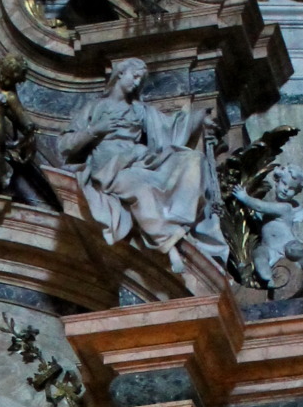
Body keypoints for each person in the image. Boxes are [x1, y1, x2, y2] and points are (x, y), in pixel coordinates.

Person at [59, 57, 227, 275]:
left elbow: (170, 127)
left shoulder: (139, 110)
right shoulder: (94, 107)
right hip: (110, 167)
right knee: (142, 190)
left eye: (141, 79)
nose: (137, 83)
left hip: (140, 160)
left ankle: (178, 219)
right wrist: (95, 130)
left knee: (191, 159)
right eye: (135, 77)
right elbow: (65, 146)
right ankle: (168, 244)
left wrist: (199, 119)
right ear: (120, 74)